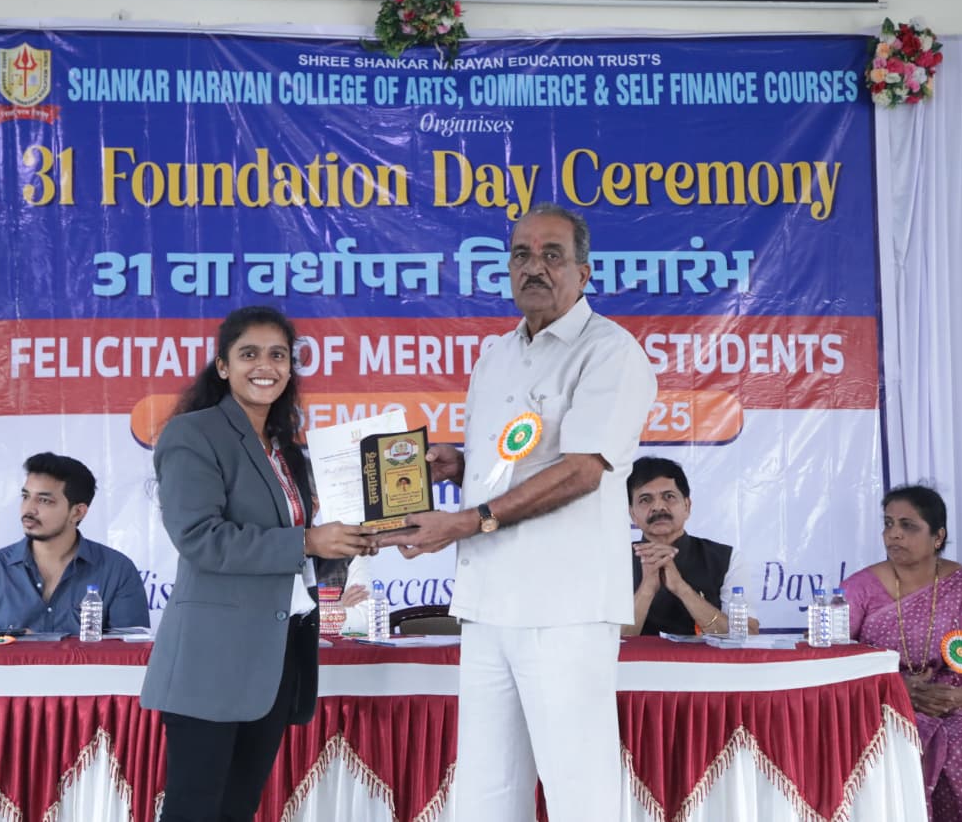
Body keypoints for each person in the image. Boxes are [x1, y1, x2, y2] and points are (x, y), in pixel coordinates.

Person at [379, 204, 656, 821]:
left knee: (580, 796)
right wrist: (459, 466)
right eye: (522, 255)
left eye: (552, 254)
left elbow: (583, 470)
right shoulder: (497, 355)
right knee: (486, 794)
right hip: (487, 602)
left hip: (563, 608)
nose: (535, 267)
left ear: (584, 272)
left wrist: (468, 519)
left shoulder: (609, 352)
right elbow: (513, 467)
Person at [139, 306, 376, 822]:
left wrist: (353, 539)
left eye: (278, 355)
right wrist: (309, 541)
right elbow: (201, 539)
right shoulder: (193, 434)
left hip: (277, 655)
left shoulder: (285, 449)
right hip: (212, 659)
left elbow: (300, 549)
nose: (265, 365)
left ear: (290, 368)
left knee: (238, 811)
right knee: (193, 813)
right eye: (249, 354)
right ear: (223, 366)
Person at [841, 485, 962, 822]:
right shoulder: (860, 588)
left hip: (956, 710)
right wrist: (893, 688)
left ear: (938, 536)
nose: (894, 534)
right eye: (888, 523)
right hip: (880, 708)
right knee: (889, 745)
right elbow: (831, 661)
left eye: (908, 525)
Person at [0, 452, 150, 634]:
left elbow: (131, 650)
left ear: (77, 512)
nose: (29, 509)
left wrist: (47, 646)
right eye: (25, 496)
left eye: (44, 500)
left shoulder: (117, 570)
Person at [621, 456, 759, 637]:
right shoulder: (613, 561)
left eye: (669, 497)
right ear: (632, 514)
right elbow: (604, 642)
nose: (658, 506)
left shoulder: (726, 559)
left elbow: (748, 635)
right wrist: (647, 588)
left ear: (687, 506)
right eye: (645, 499)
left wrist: (681, 588)